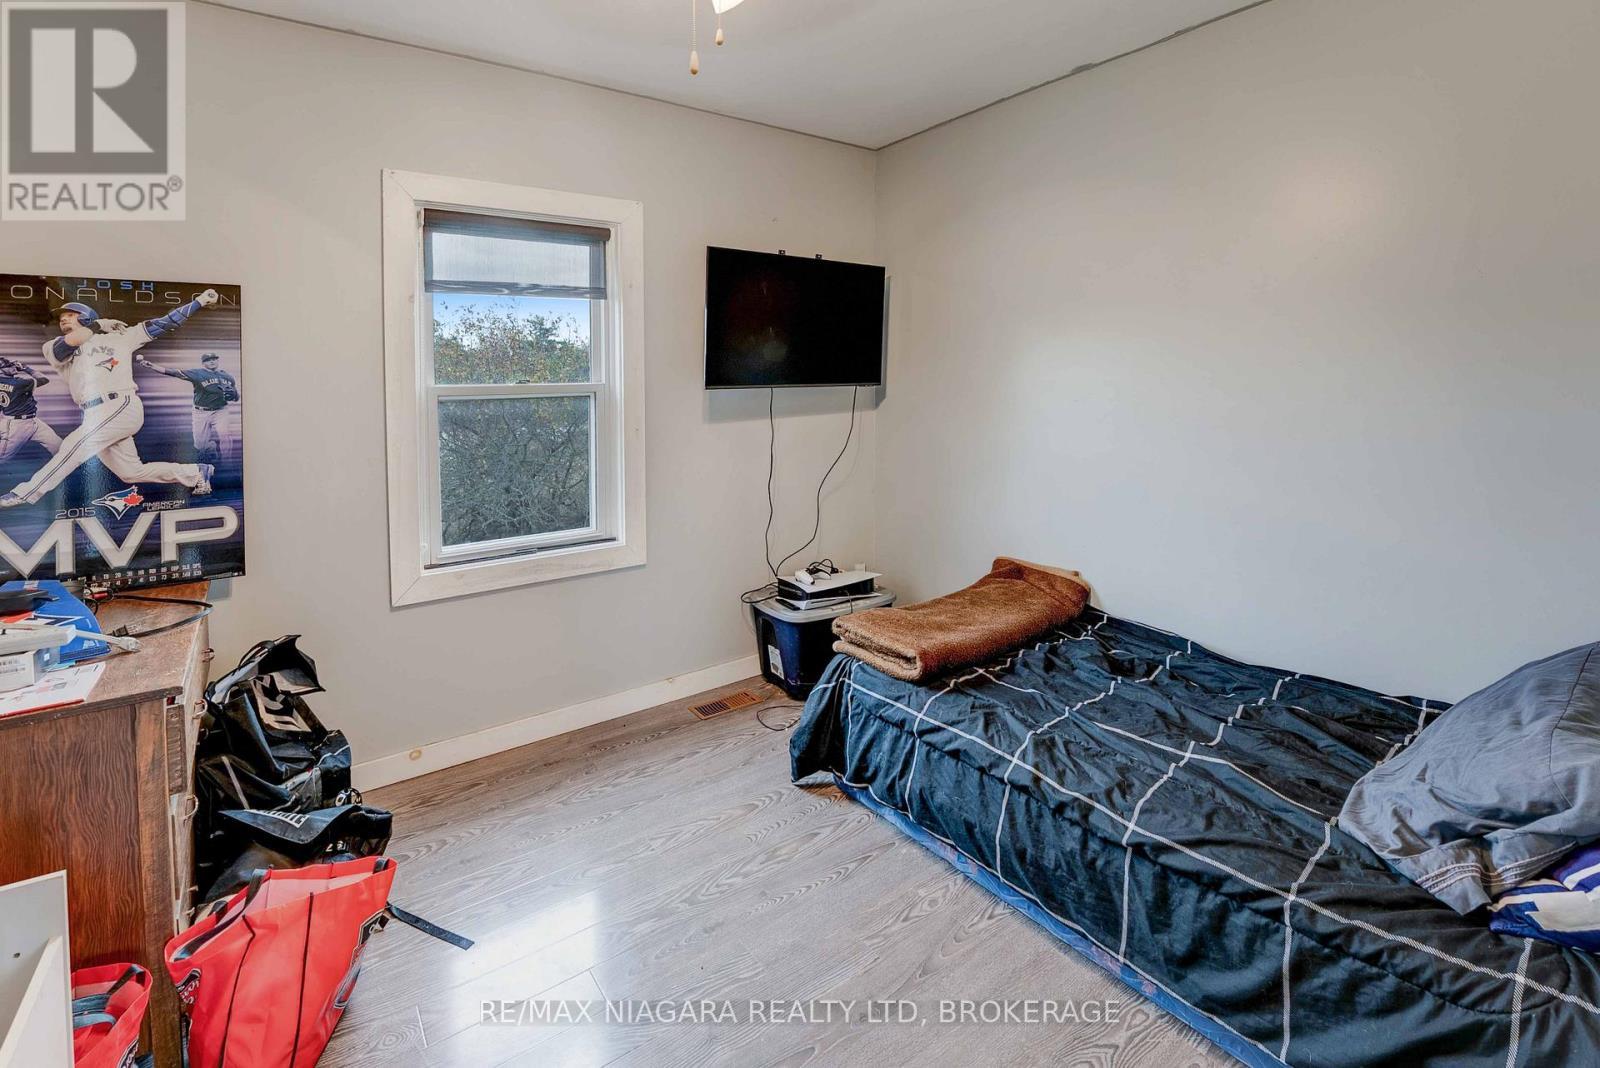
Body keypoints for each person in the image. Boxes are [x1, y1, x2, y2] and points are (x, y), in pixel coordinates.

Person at [0, 294, 220, 508]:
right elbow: (65, 346)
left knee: (72, 445)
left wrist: (199, 302)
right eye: (61, 317)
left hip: (120, 404)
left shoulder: (120, 337)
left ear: (86, 317)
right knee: (131, 472)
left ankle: (24, 493)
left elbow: (165, 323)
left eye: (70, 314)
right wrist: (98, 325)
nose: (63, 319)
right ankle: (196, 472)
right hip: (94, 412)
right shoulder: (52, 346)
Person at [138, 351, 239, 466]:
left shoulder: (228, 376)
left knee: (225, 435)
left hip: (221, 411)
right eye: (208, 360)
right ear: (203, 363)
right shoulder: (197, 373)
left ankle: (227, 463)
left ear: (217, 360)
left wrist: (234, 396)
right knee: (200, 446)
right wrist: (152, 366)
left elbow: (236, 397)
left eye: (214, 359)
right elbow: (174, 372)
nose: (211, 361)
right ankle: (210, 447)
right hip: (201, 412)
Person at [0, 356, 63, 462]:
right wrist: (25, 368)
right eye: (8, 365)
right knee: (2, 458)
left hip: (33, 422)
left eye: (11, 364)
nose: (13, 366)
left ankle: (71, 470)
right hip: (16, 426)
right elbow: (44, 379)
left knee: (58, 446)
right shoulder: (19, 383)